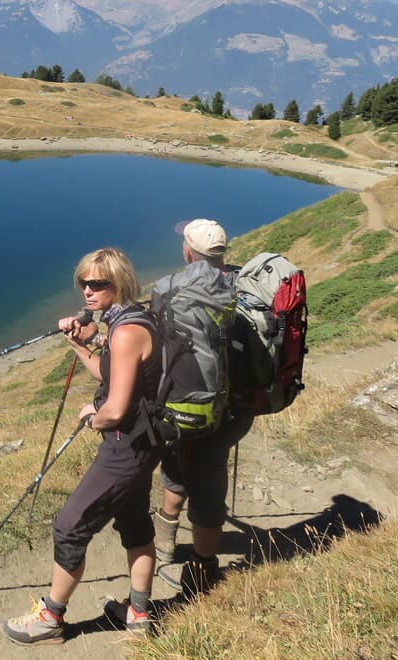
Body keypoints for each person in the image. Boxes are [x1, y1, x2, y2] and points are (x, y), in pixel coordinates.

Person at [2, 247, 164, 644]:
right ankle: (139, 613)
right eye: (83, 283)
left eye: (97, 284)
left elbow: (115, 409)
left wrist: (93, 418)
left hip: (125, 447)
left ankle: (51, 619)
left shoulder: (125, 332)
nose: (87, 292)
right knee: (134, 523)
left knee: (70, 526)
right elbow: (109, 373)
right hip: (145, 444)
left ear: (119, 283)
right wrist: (79, 345)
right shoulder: (133, 319)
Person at [152, 218, 253, 598]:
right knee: (209, 467)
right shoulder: (244, 284)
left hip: (191, 408)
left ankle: (197, 568)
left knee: (185, 470)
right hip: (236, 409)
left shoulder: (170, 288)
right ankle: (183, 554)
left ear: (188, 251)